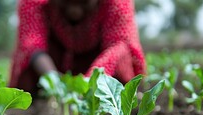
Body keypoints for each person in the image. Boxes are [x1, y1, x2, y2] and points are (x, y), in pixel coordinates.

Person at [10, 0, 146, 94]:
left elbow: (118, 46)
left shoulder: (116, 3)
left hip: (100, 62)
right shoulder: (35, 3)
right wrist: (56, 84)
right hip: (53, 60)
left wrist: (88, 83)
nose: (75, 9)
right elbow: (32, 45)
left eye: (83, 1)